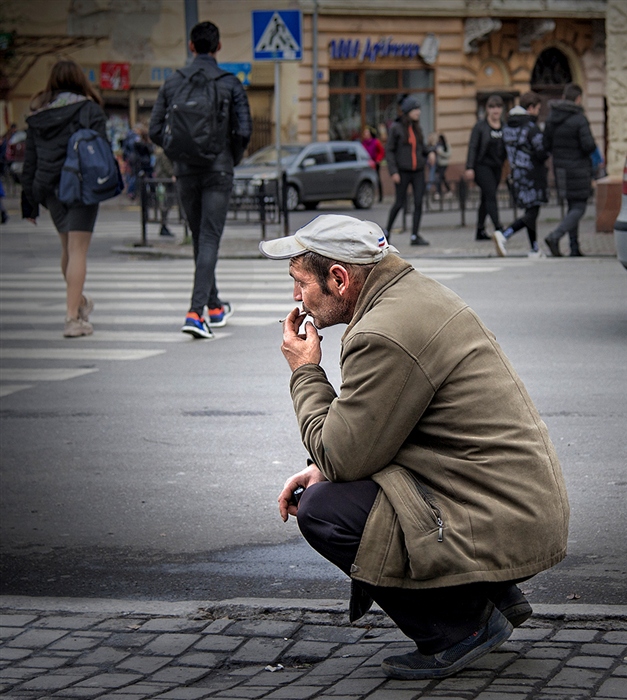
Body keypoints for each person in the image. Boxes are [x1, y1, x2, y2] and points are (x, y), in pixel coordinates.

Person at [260, 214, 569, 681]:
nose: (295, 298)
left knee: (321, 510)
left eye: (300, 283)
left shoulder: (381, 333)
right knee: (330, 484)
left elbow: (344, 456)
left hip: (502, 514)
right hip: (511, 502)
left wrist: (304, 370)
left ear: (339, 279)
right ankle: (488, 595)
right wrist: (322, 465)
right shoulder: (410, 294)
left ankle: (459, 626)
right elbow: (382, 431)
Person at [149, 20, 252, 338]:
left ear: (191, 46)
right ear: (218, 47)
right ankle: (195, 313)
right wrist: (229, 159)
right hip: (217, 170)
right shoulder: (230, 82)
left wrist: (179, 156)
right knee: (208, 238)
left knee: (200, 236)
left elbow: (154, 131)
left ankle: (216, 307)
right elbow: (244, 130)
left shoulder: (172, 83)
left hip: (187, 173)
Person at [21, 59, 108, 337]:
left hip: (49, 188)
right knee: (77, 251)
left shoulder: (38, 116)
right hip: (81, 186)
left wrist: (29, 202)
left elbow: (30, 162)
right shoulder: (89, 110)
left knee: (67, 249)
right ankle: (72, 319)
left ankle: (79, 303)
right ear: (80, 80)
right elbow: (102, 149)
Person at [543, 83, 596, 257]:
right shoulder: (579, 118)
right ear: (578, 98)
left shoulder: (552, 117)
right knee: (579, 207)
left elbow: (546, 145)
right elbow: (588, 145)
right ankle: (555, 235)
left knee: (572, 206)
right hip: (579, 168)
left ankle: (574, 247)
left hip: (560, 169)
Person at [493, 92, 549, 258]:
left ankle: (534, 248)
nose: (538, 112)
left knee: (531, 211)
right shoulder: (531, 127)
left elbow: (501, 152)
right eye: (537, 109)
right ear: (530, 108)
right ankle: (505, 235)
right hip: (533, 176)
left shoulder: (508, 127)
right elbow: (541, 153)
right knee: (532, 213)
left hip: (517, 175)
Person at [385, 95, 436, 246]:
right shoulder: (396, 128)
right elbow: (389, 151)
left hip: (418, 171)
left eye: (418, 109)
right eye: (415, 109)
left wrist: (430, 152)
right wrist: (393, 171)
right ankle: (387, 232)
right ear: (407, 111)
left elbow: (421, 147)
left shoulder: (416, 128)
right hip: (402, 171)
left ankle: (415, 235)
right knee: (399, 203)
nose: (418, 112)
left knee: (419, 202)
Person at [465, 94, 506, 241]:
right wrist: (469, 167)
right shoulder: (480, 126)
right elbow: (473, 147)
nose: (495, 110)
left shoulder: (504, 126)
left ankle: (480, 230)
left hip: (497, 167)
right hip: (482, 166)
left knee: (485, 199)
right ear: (487, 109)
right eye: (492, 107)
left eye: (498, 107)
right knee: (491, 196)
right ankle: (499, 229)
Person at [361, 126, 385, 202]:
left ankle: (380, 196)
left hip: (375, 163)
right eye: (364, 133)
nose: (365, 135)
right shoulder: (363, 143)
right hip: (367, 163)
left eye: (367, 133)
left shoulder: (375, 142)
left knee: (377, 179)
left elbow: (381, 151)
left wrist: (378, 160)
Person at [434, 133, 452, 199]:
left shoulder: (446, 145)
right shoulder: (438, 145)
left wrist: (441, 153)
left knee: (439, 177)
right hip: (438, 164)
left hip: (444, 164)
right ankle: (448, 190)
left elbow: (448, 154)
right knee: (442, 178)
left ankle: (438, 192)